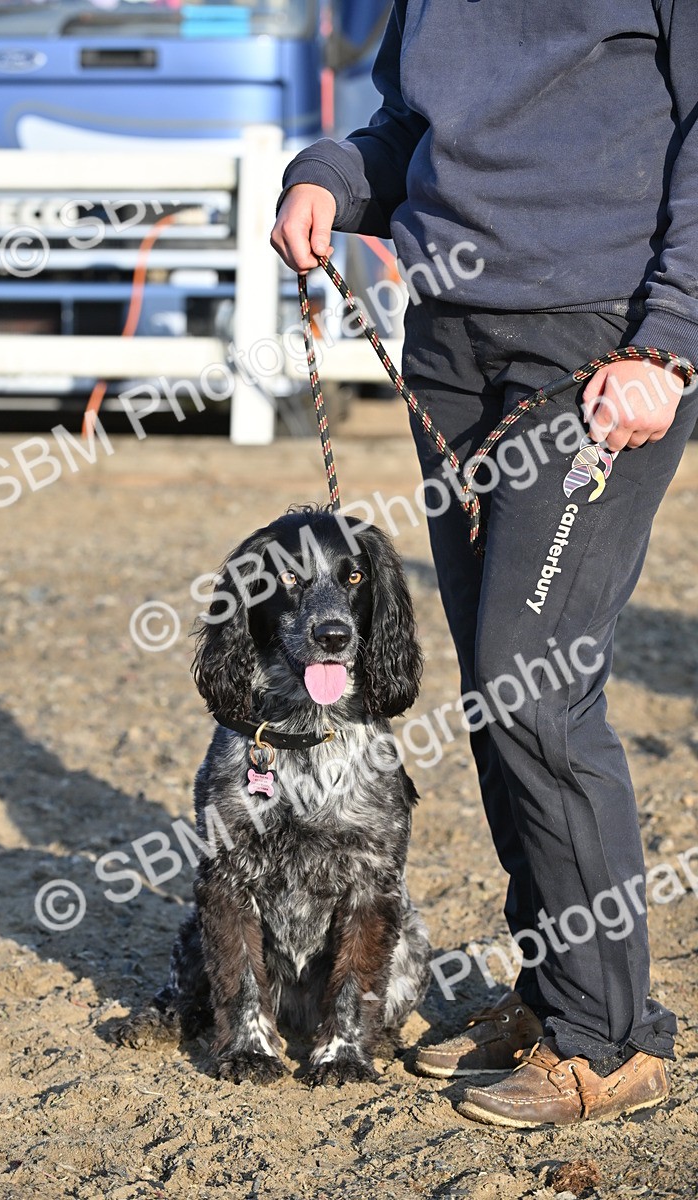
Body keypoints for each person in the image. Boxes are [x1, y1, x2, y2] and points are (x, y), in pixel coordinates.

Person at [270, 1, 698, 1127]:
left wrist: (670, 342)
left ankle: (606, 1044)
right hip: (451, 343)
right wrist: (323, 176)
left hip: (603, 348)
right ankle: (554, 991)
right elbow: (409, 132)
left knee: (534, 688)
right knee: (495, 689)